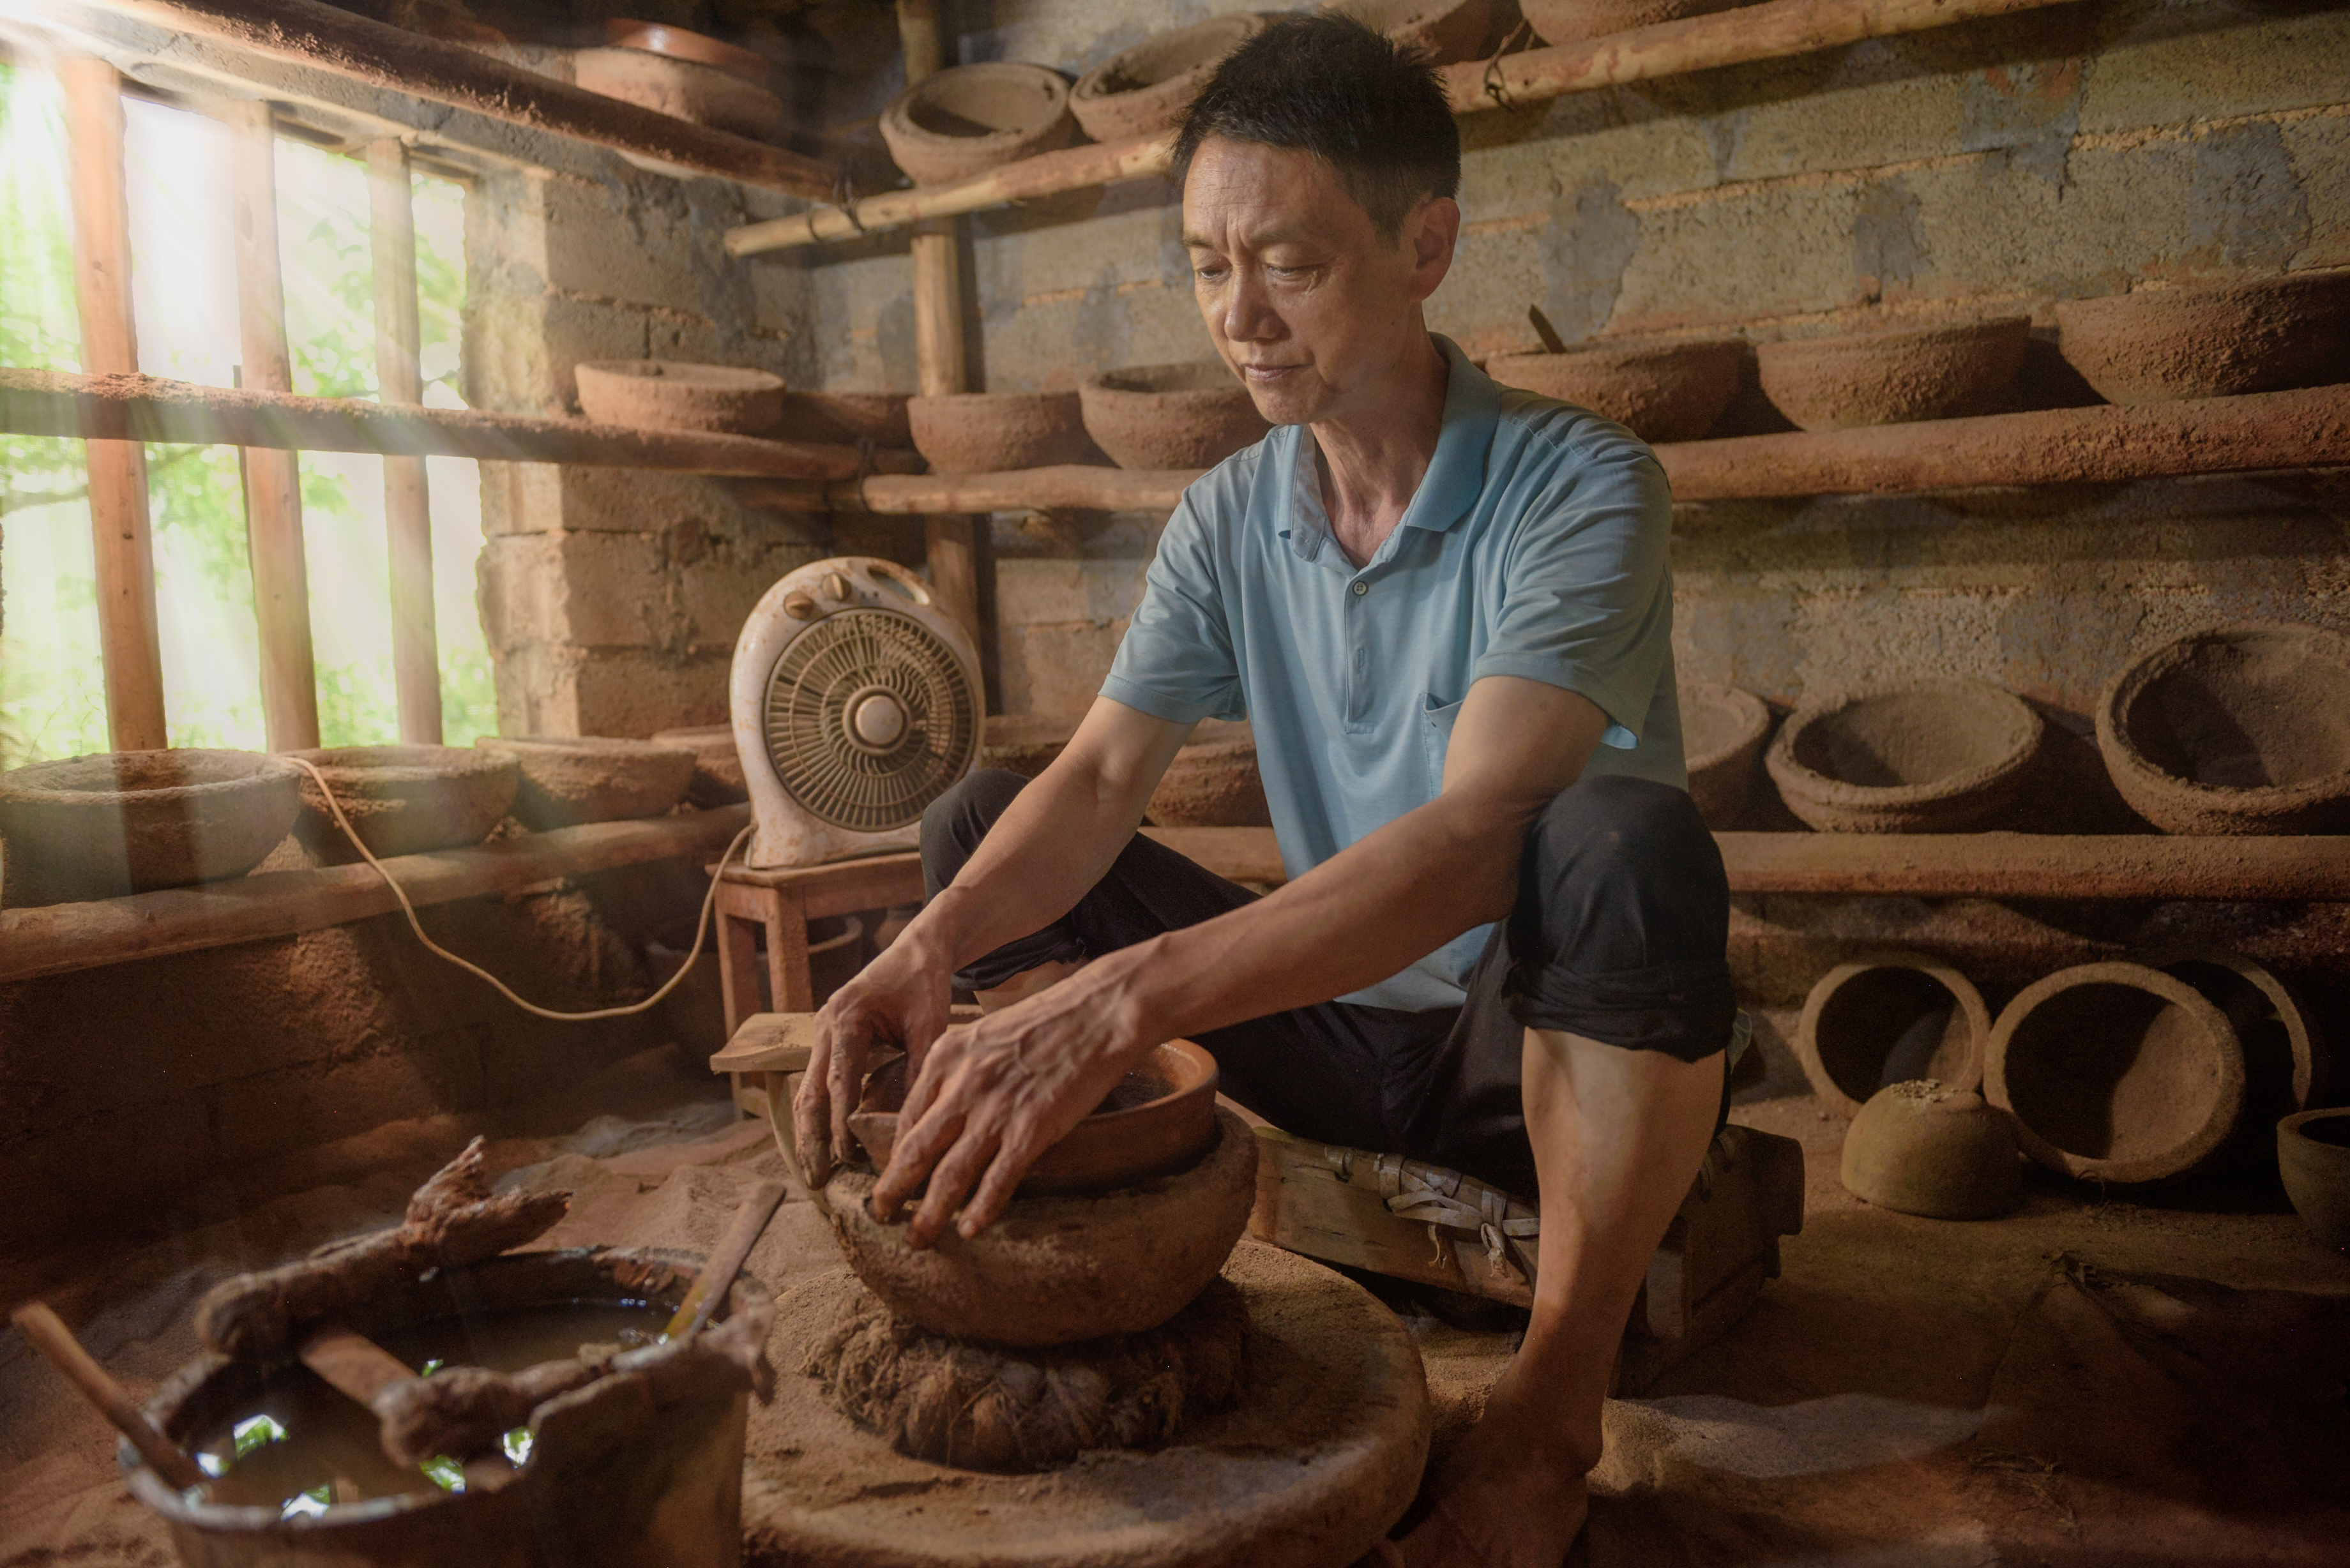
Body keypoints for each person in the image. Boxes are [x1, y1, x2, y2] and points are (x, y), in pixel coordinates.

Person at [794, 14, 1736, 1565]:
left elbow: (1471, 840)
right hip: (1330, 1028)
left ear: (1426, 242)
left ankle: (1551, 1415)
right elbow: (1103, 775)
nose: (1239, 317)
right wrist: (927, 951)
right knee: (978, 834)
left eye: (1286, 264)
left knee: (1620, 842)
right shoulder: (1232, 510)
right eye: (1204, 262)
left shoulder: (1583, 483)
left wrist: (1113, 1005)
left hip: (1519, 1045)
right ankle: (1087, 1194)